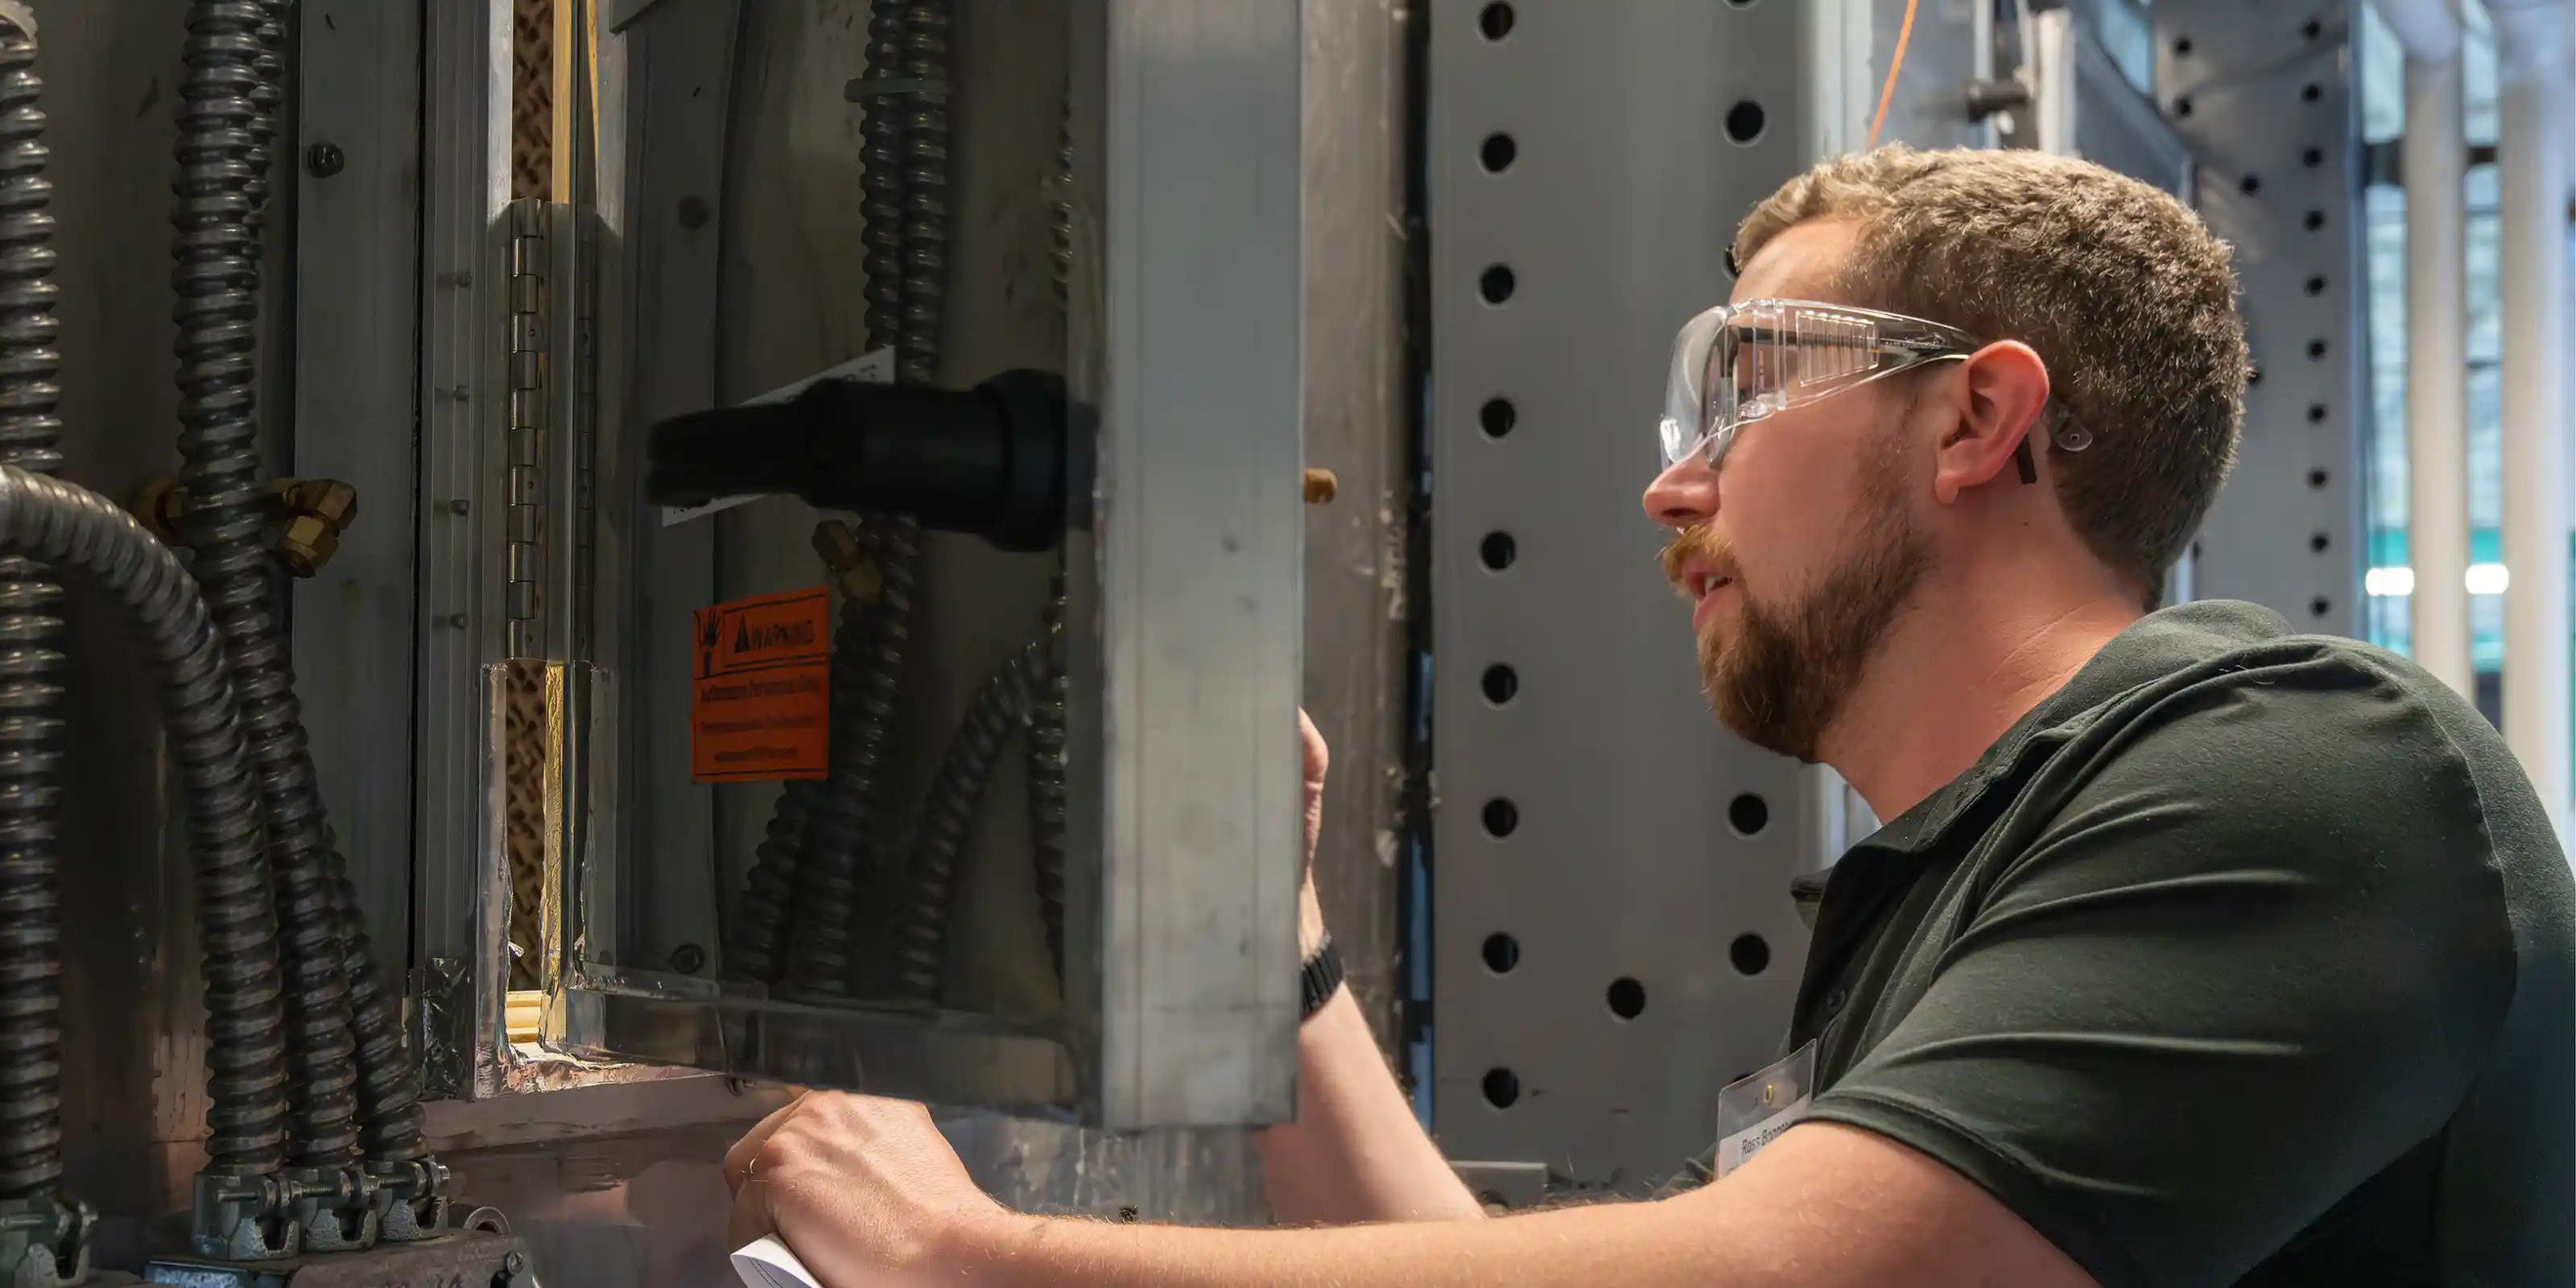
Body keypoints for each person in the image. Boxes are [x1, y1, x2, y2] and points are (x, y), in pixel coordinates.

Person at [720, 146, 2576, 1286]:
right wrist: (1274, 951)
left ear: (1972, 420)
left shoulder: (2315, 774)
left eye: (1739, 397)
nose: (1668, 494)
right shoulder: (1966, 880)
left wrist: (972, 1256)